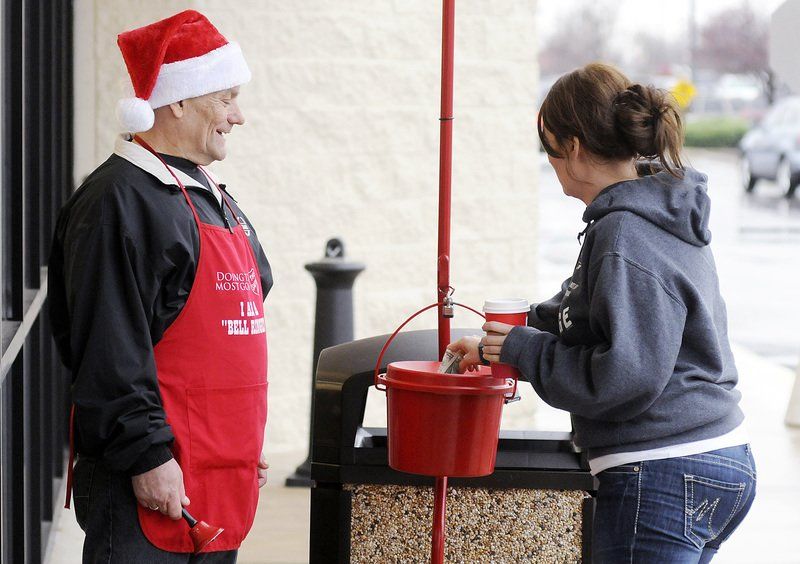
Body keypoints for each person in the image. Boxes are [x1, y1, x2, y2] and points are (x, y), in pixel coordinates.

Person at [448, 63, 756, 563]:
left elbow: (625, 377)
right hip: (713, 456)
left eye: (547, 146)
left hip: (660, 467)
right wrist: (499, 344)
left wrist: (526, 351)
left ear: (572, 147)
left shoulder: (624, 233)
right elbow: (588, 313)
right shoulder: (659, 212)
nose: (548, 160)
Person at [49, 10, 272, 563]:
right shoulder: (117, 201)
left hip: (218, 471)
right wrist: (146, 455)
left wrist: (238, 441)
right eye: (226, 98)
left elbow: (242, 315)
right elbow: (109, 350)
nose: (238, 116)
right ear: (178, 101)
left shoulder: (208, 195)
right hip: (151, 477)